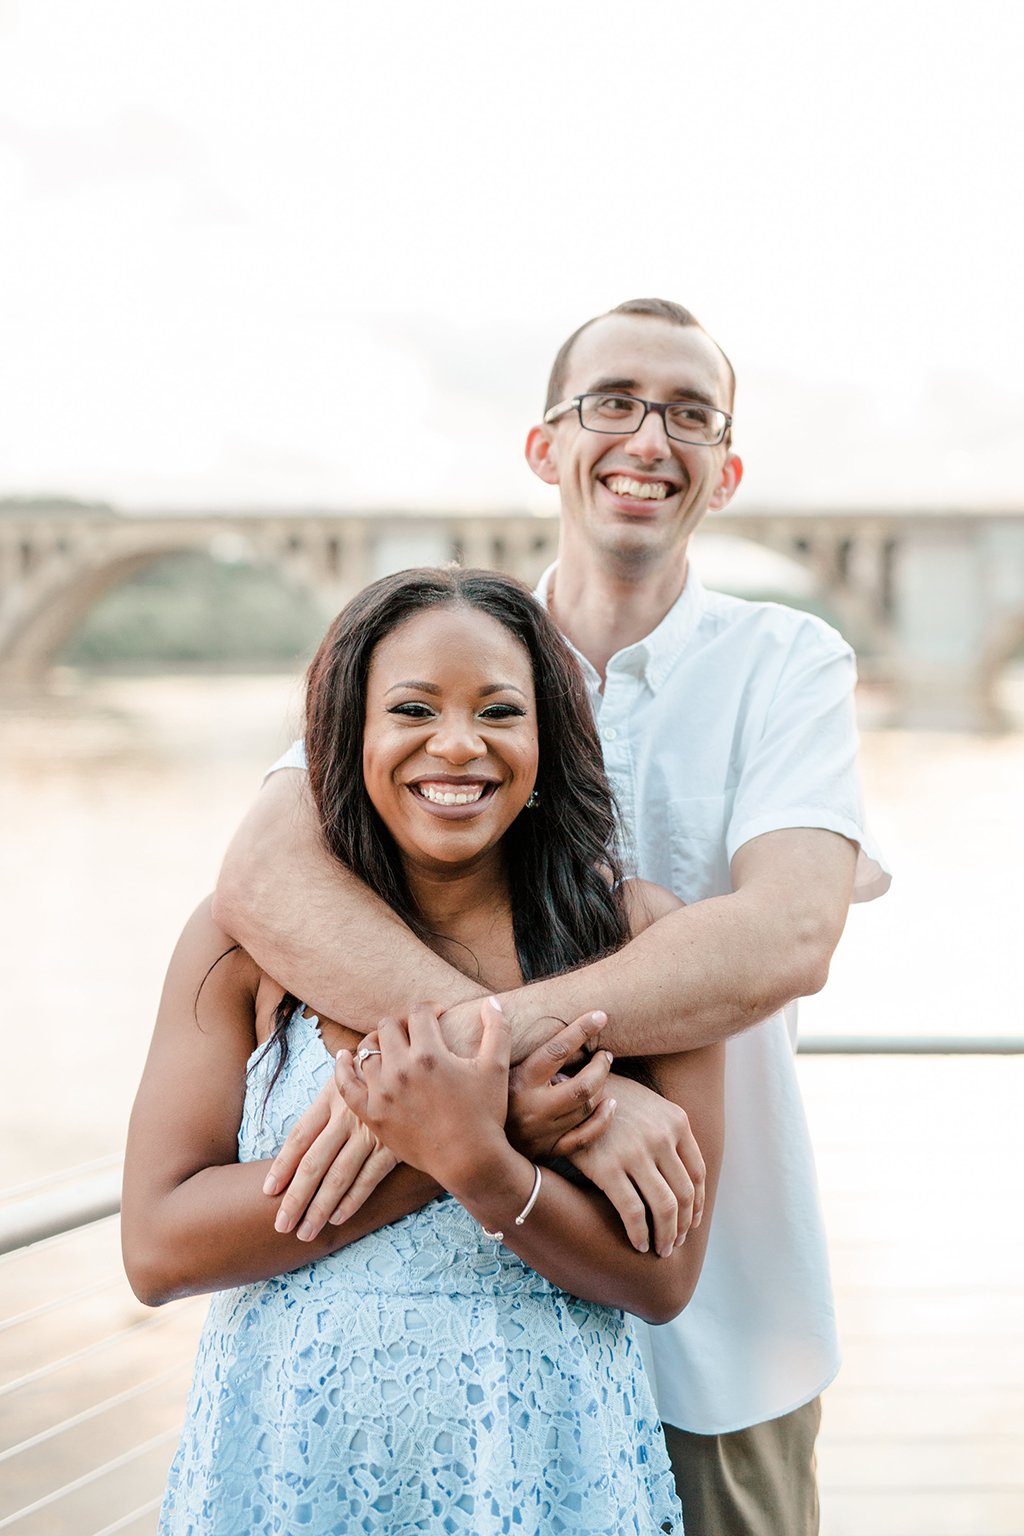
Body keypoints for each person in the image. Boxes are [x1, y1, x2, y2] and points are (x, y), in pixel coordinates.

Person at [213, 298, 891, 1536]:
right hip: (459, 1321)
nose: (649, 436)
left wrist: (486, 1067)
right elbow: (262, 882)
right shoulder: (450, 647)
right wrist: (583, 1085)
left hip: (708, 1302)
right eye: (613, 402)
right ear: (544, 447)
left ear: (725, 472)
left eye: (691, 415)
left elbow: (789, 935)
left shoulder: (789, 663)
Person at [122, 566, 725, 1536]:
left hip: (543, 1473)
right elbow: (156, 1248)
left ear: (547, 739)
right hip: (292, 1468)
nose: (457, 744)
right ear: (346, 735)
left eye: (499, 711)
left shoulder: (639, 945)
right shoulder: (244, 948)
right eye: (411, 708)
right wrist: (465, 1139)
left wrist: (475, 1157)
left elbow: (662, 1279)